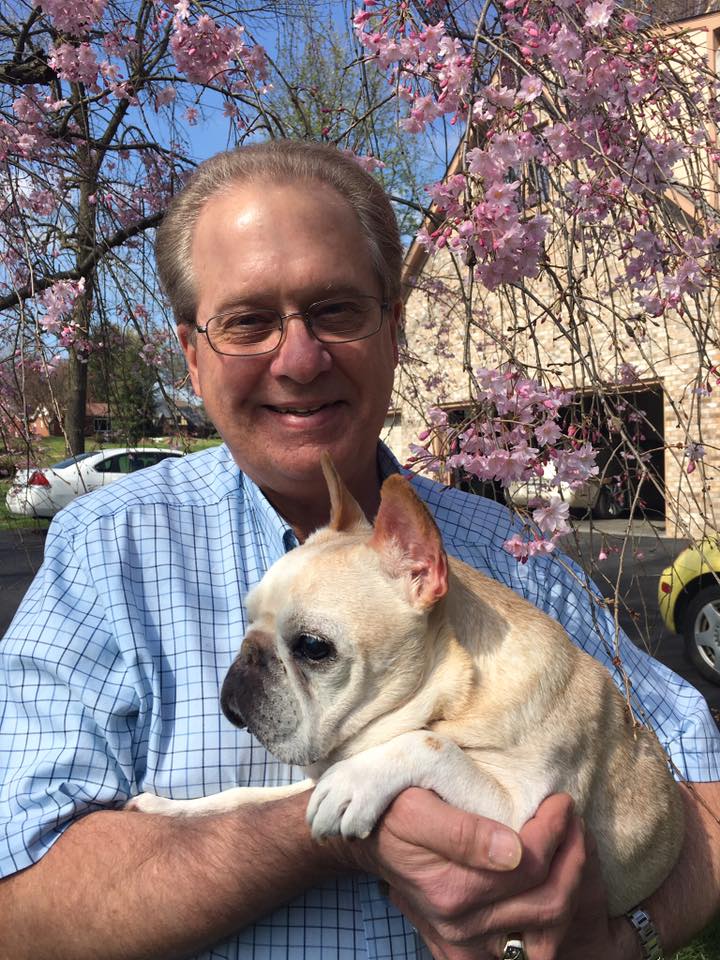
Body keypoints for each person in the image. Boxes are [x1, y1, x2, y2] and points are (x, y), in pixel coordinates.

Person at [0, 139, 719, 960]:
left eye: (337, 310)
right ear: (193, 355)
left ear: (394, 332)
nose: (300, 360)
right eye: (248, 322)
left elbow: (705, 791)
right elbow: (18, 910)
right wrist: (335, 828)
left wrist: (623, 940)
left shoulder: (518, 564)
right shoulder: (106, 549)